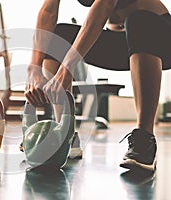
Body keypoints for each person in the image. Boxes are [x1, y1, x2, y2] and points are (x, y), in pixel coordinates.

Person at [24, 0, 171, 172]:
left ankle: (144, 140)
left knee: (138, 20)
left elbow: (105, 5)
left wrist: (67, 68)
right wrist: (34, 69)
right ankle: (65, 134)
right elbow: (47, 12)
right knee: (59, 35)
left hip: (158, 37)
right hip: (118, 42)